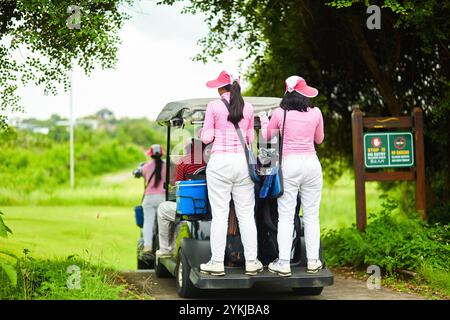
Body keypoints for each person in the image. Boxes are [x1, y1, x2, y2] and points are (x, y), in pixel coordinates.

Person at [198, 70, 263, 276]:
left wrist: (210, 131)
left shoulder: (214, 106)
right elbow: (250, 139)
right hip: (242, 163)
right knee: (246, 215)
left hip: (220, 163)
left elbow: (206, 137)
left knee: (220, 215)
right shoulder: (249, 107)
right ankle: (252, 262)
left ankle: (217, 263)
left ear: (222, 87)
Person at [259, 75, 324, 276]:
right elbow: (319, 139)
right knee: (312, 216)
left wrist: (263, 121)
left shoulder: (280, 113)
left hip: (290, 165)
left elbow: (266, 137)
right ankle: (313, 261)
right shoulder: (316, 113)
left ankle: (284, 263)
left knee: (286, 216)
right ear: (304, 94)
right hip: (312, 165)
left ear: (287, 93)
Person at [156, 139, 206, 258]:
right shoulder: (212, 160)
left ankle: (166, 250)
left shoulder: (184, 161)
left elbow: (178, 185)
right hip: (211, 205)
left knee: (163, 209)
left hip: (192, 207)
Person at [141, 144, 166, 254]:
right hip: (162, 198)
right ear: (161, 154)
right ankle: (164, 247)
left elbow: (142, 175)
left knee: (148, 222)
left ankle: (147, 246)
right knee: (164, 223)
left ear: (150, 155)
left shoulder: (146, 167)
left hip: (149, 198)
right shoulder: (167, 166)